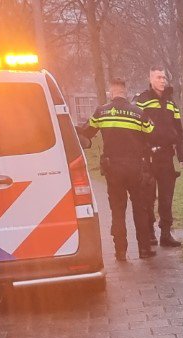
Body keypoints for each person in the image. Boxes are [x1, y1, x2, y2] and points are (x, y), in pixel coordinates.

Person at [78, 77, 156, 261]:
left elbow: (86, 134)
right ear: (125, 91)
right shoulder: (139, 112)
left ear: (111, 92)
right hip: (136, 168)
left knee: (118, 210)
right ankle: (144, 249)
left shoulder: (101, 112)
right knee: (140, 208)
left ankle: (120, 251)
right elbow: (152, 134)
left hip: (113, 169)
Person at [135, 67, 183, 248]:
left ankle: (166, 233)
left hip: (166, 156)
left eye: (164, 77)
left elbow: (178, 130)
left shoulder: (171, 103)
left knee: (166, 197)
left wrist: (181, 155)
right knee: (148, 197)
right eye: (159, 77)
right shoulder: (141, 101)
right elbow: (135, 130)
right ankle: (150, 233)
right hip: (148, 157)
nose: (163, 81)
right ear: (150, 79)